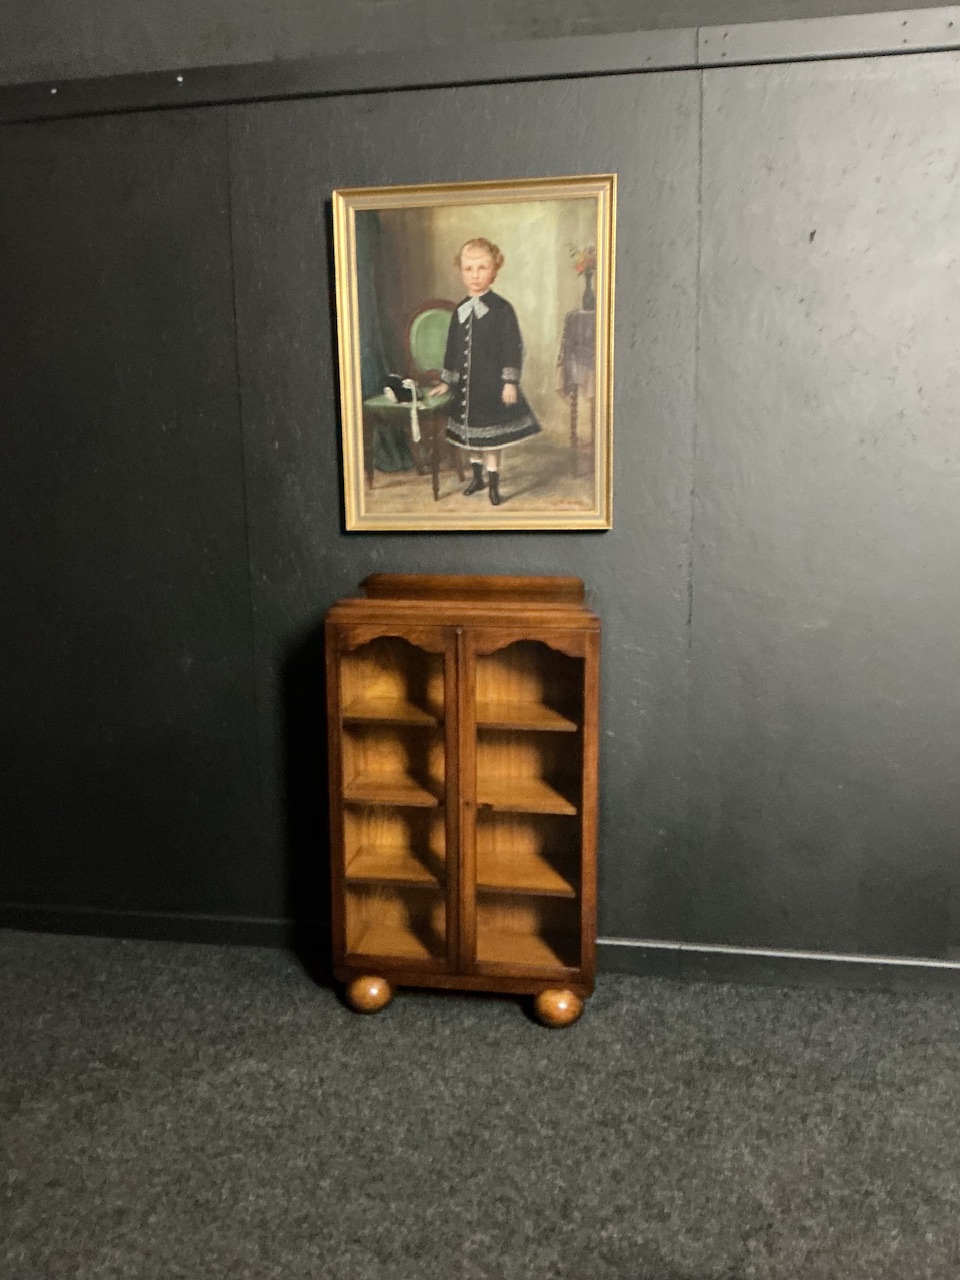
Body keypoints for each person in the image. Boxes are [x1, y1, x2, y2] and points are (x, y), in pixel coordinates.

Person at [428, 238, 540, 505]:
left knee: (491, 441)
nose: (475, 275)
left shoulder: (502, 309)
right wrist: (446, 381)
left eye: (482, 268)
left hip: (491, 388)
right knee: (471, 440)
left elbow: (513, 347)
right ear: (461, 271)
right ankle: (477, 479)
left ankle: (494, 486)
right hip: (467, 388)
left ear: (494, 270)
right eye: (469, 269)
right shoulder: (459, 310)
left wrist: (510, 382)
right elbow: (452, 349)